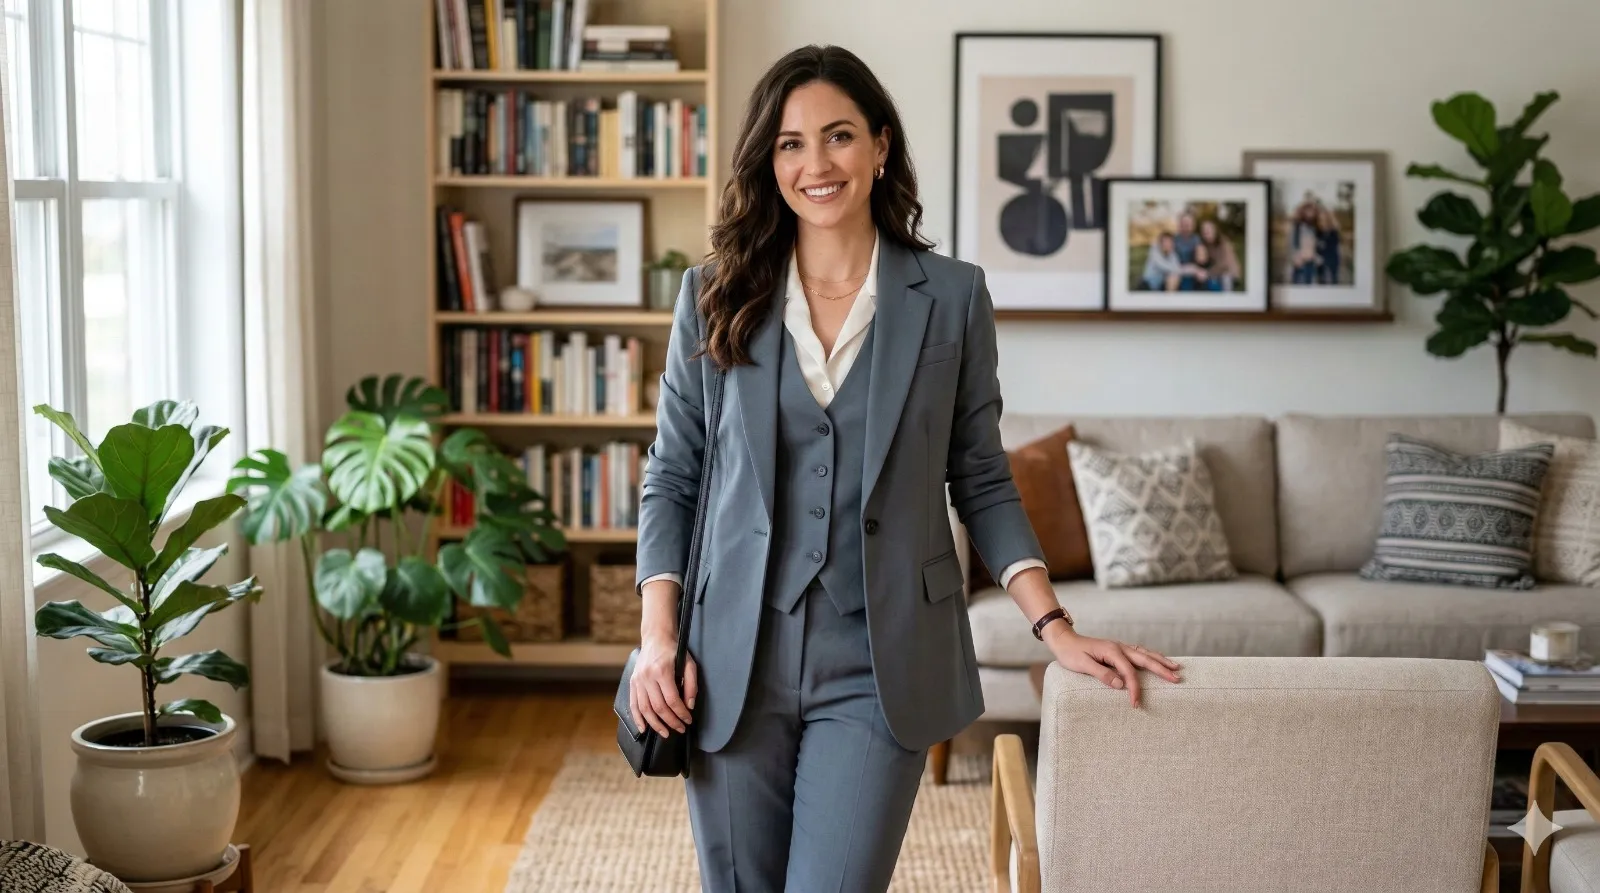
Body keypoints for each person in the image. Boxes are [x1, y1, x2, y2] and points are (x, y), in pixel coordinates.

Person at [628, 44, 1183, 892]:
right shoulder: (715, 293)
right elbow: (673, 473)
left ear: (881, 145)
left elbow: (982, 475)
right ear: (766, 159)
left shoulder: (951, 297)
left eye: (839, 136)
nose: (816, 164)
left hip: (880, 658)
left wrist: (1054, 627)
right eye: (790, 144)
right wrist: (658, 638)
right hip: (730, 655)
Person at [1197, 218, 1241, 292]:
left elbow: (1225, 264)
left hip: (1229, 272)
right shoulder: (1205, 244)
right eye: (1204, 231)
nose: (1206, 233)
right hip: (1215, 271)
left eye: (1208, 230)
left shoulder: (1224, 243)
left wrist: (1208, 273)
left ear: (1214, 231)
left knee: (1225, 277)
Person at [1289, 196, 1320, 284]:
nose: (1310, 213)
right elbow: (1293, 242)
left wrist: (1316, 256)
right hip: (1300, 260)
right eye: (1307, 210)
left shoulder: (1315, 226)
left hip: (1311, 260)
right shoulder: (1297, 225)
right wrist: (1295, 256)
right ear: (1303, 211)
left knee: (1309, 282)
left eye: (1312, 210)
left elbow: (1315, 243)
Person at [1172, 211, 1202, 289]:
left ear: (1193, 225)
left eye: (1188, 224)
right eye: (1183, 224)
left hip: (1194, 269)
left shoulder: (1196, 239)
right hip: (1178, 269)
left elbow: (1200, 257)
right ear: (1179, 225)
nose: (1186, 227)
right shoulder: (1174, 239)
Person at [1315, 204, 1343, 284]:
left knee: (1333, 280)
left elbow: (1333, 248)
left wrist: (1324, 260)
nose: (1322, 222)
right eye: (1320, 220)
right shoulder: (1318, 232)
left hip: (1331, 262)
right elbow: (1316, 247)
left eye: (1324, 219)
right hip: (1319, 265)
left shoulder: (1333, 232)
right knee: (1321, 281)